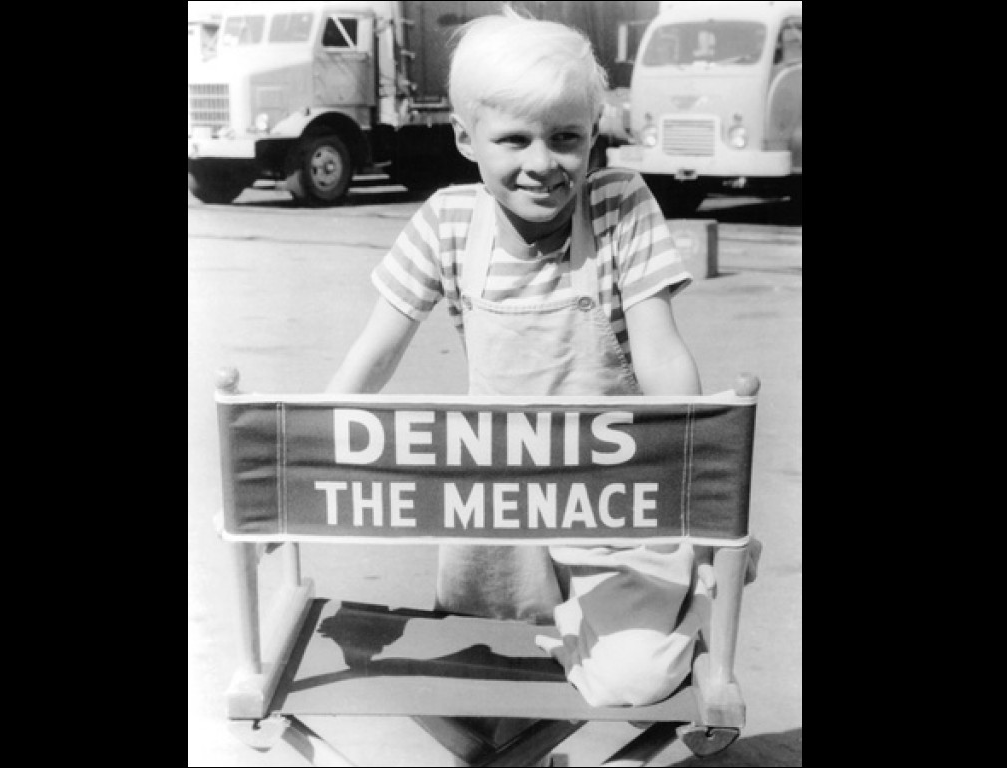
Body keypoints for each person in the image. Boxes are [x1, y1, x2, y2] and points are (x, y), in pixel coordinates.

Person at [325, 6, 758, 763]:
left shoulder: (620, 205)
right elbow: (376, 353)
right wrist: (306, 452)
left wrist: (695, 484)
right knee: (480, 701)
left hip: (615, 503)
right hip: (497, 506)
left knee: (635, 679)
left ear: (593, 133)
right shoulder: (447, 222)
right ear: (466, 138)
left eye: (565, 138)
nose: (543, 163)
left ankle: (676, 592)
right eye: (513, 139)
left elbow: (661, 353)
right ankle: (554, 677)